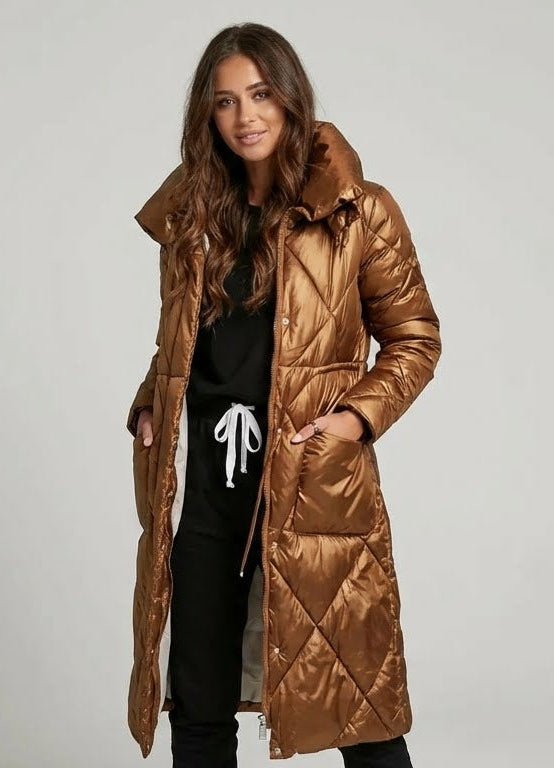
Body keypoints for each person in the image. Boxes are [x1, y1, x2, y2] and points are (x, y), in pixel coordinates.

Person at [126, 22, 442, 768]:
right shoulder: (194, 216)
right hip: (204, 485)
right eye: (226, 101)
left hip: (309, 484)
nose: (246, 116)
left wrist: (353, 421)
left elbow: (415, 338)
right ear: (208, 115)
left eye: (261, 94)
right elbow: (183, 344)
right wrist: (148, 404)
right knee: (197, 704)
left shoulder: (358, 210)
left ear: (291, 97)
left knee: (358, 708)